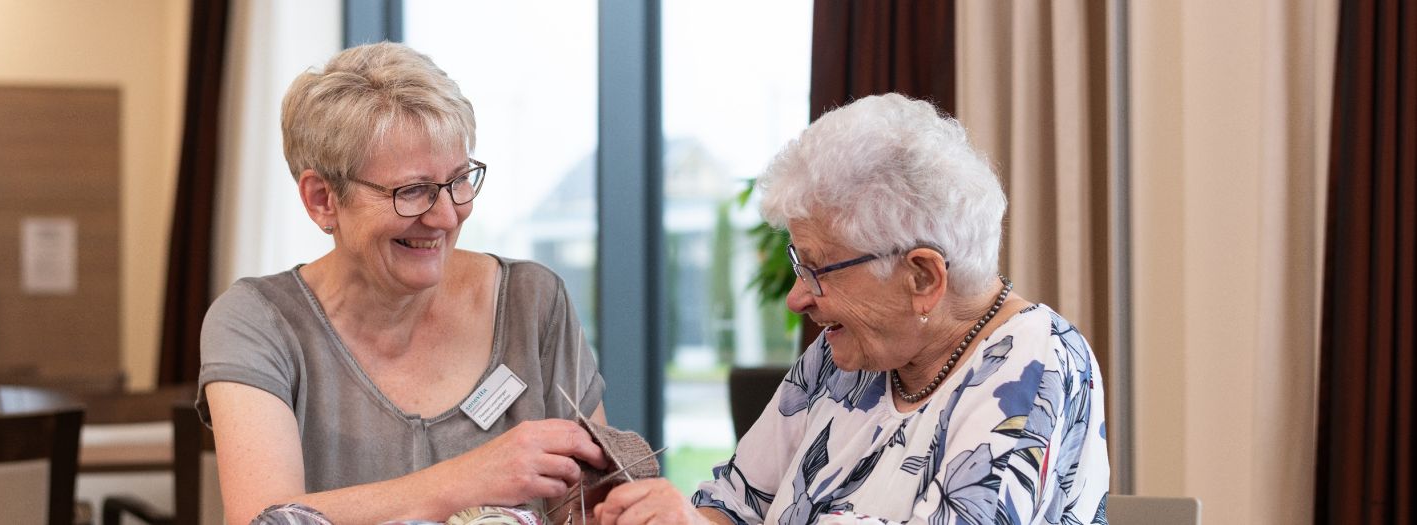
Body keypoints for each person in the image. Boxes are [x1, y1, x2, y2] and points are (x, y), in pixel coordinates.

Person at [594, 94, 1110, 525]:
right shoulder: (845, 356)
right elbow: (732, 508)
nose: (798, 297)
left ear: (922, 277)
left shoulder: (1033, 365)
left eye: (819, 268)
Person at [198, 42, 609, 525]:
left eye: (459, 180)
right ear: (322, 199)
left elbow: (590, 508)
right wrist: (469, 479)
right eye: (411, 191)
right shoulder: (259, 322)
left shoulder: (534, 302)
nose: (445, 215)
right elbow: (260, 519)